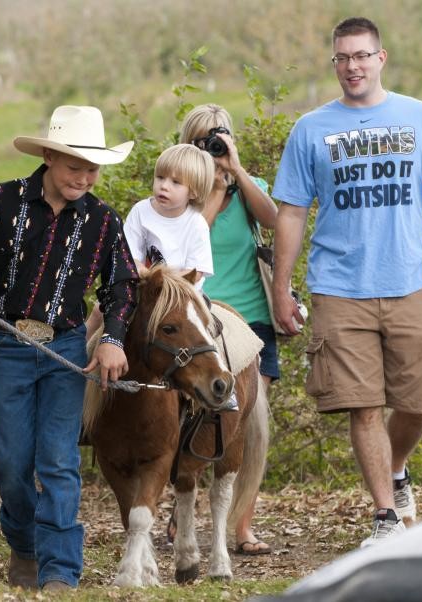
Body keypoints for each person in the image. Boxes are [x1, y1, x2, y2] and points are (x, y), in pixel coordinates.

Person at [270, 17, 422, 547]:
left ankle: (396, 470)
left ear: (381, 57)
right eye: (342, 58)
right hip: (339, 288)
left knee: (417, 404)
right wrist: (281, 287)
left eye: (361, 56)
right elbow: (292, 212)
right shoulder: (311, 129)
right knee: (363, 406)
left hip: (409, 282)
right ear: (334, 63)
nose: (352, 67)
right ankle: (385, 519)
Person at [0, 105, 139, 590]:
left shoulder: (104, 222)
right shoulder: (6, 200)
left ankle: (60, 571)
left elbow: (123, 287)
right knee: (9, 463)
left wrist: (111, 338)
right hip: (11, 343)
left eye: (93, 168)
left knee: (59, 461)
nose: (85, 177)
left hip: (65, 349)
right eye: (75, 166)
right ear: (49, 156)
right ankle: (25, 545)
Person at [175, 103, 280, 555]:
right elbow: (194, 232)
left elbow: (275, 218)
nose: (212, 148)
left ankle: (242, 526)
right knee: (185, 420)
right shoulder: (178, 192)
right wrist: (214, 186)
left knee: (247, 428)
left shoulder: (247, 186)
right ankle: (183, 518)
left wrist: (236, 171)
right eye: (203, 141)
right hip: (201, 320)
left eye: (219, 138)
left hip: (251, 321)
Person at [84, 143, 215, 339]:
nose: (164, 186)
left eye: (176, 182)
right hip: (143, 286)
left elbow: (195, 273)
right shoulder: (142, 211)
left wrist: (165, 284)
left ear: (194, 192)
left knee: (207, 330)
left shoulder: (196, 223)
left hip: (182, 294)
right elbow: (128, 257)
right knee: (99, 311)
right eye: (160, 177)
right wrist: (150, 279)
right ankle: (79, 353)